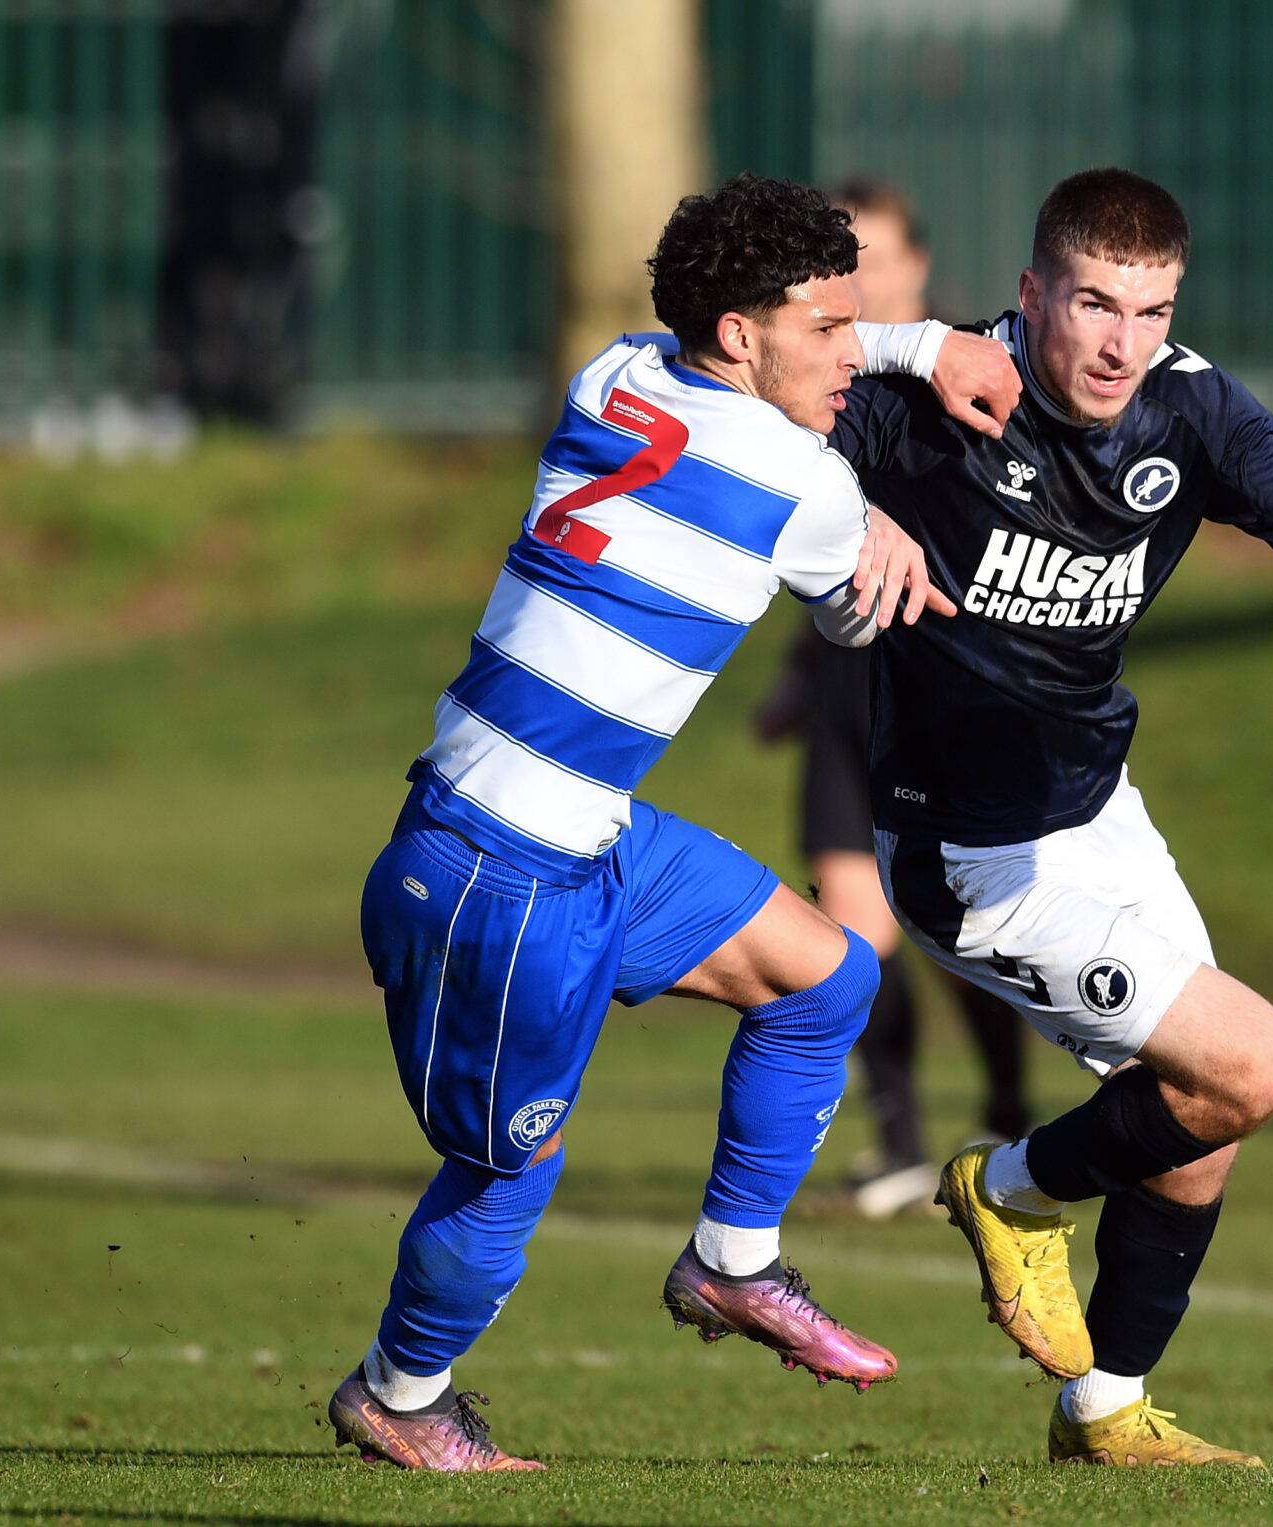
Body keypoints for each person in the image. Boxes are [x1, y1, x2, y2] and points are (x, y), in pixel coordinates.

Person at [826, 167, 1273, 1465]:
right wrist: (848, 510)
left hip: (1098, 810)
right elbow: (746, 426)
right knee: (1249, 1060)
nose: (1120, 343)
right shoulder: (933, 396)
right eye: (1094, 303)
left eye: (1150, 311)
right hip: (965, 851)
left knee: (1203, 1114)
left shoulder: (1197, 413)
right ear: (1032, 292)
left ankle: (1105, 1407)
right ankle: (1006, 1188)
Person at [325, 174, 1020, 1470]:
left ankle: (732, 1263)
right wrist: (885, 518)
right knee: (508, 1172)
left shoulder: (617, 373)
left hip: (585, 835)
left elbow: (769, 418)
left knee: (826, 974)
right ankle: (401, 1394)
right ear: (743, 334)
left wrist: (907, 350)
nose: (850, 354)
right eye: (828, 329)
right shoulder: (803, 481)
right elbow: (851, 615)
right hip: (495, 877)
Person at [754, 180, 1033, 1219]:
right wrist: (796, 675)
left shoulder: (971, 373)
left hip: (948, 678)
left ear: (917, 265)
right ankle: (903, 1141)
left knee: (960, 927)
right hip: (847, 682)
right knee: (849, 924)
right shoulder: (811, 378)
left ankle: (1007, 1116)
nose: (858, 280)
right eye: (838, 265)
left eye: (873, 257)